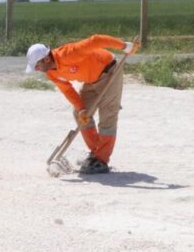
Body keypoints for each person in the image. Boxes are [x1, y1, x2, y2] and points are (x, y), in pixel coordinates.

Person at [25, 35, 139, 174]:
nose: (36, 69)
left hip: (109, 71)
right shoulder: (51, 73)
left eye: (37, 65)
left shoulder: (69, 53)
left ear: (46, 58)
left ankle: (101, 161)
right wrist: (81, 109)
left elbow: (96, 40)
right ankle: (96, 151)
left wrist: (124, 46)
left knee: (107, 117)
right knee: (80, 114)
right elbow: (67, 90)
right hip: (91, 79)